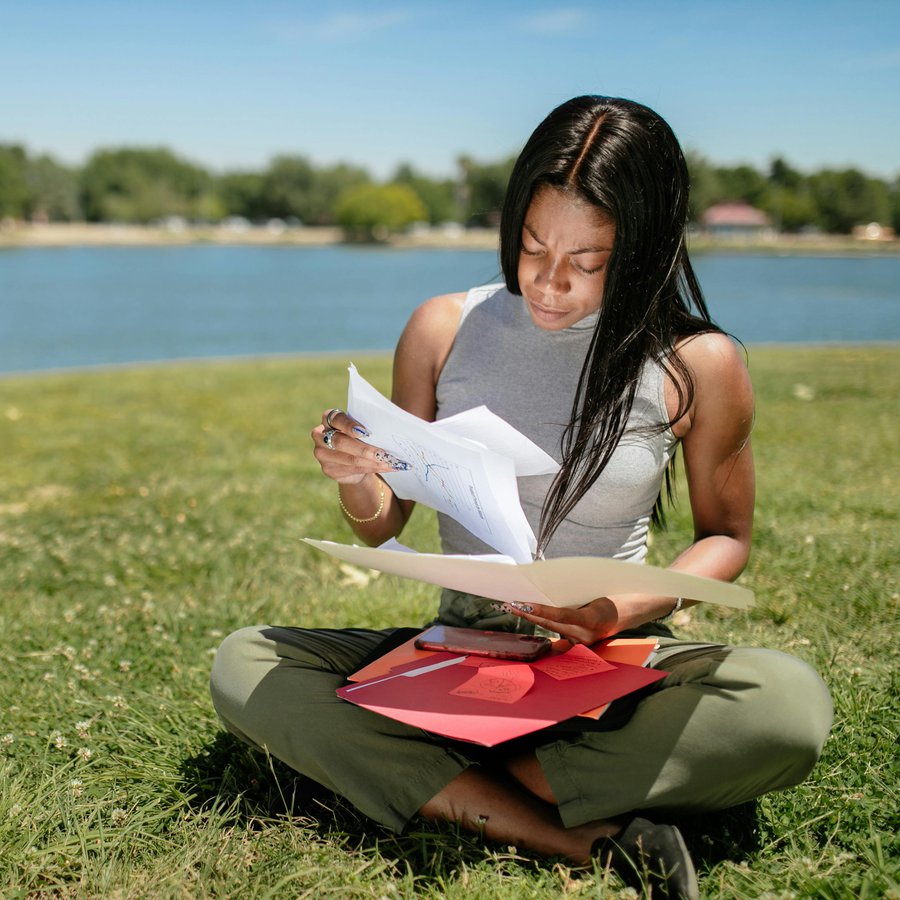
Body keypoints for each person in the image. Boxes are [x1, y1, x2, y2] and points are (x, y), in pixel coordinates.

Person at [210, 96, 832, 898]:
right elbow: (382, 526)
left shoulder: (696, 363)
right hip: (460, 649)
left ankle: (450, 776)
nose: (550, 281)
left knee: (784, 708)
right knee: (246, 663)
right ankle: (572, 833)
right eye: (533, 246)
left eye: (590, 259)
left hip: (611, 657)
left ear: (644, 246)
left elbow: (727, 537)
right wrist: (361, 479)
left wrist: (612, 609)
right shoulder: (444, 326)